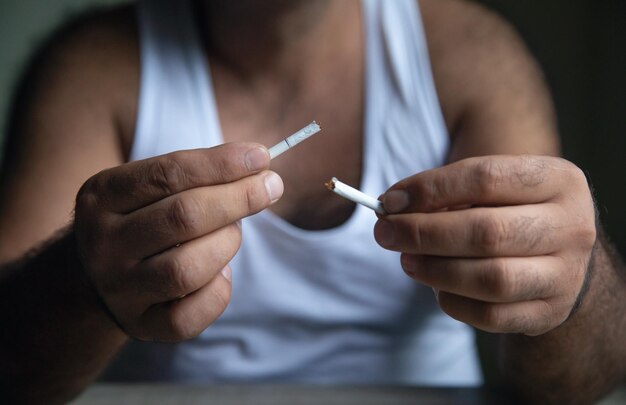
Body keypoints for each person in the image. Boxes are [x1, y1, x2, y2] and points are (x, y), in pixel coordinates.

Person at [0, 0, 624, 402]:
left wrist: (575, 283)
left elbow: (585, 383)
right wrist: (82, 281)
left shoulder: (470, 56)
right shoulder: (97, 68)